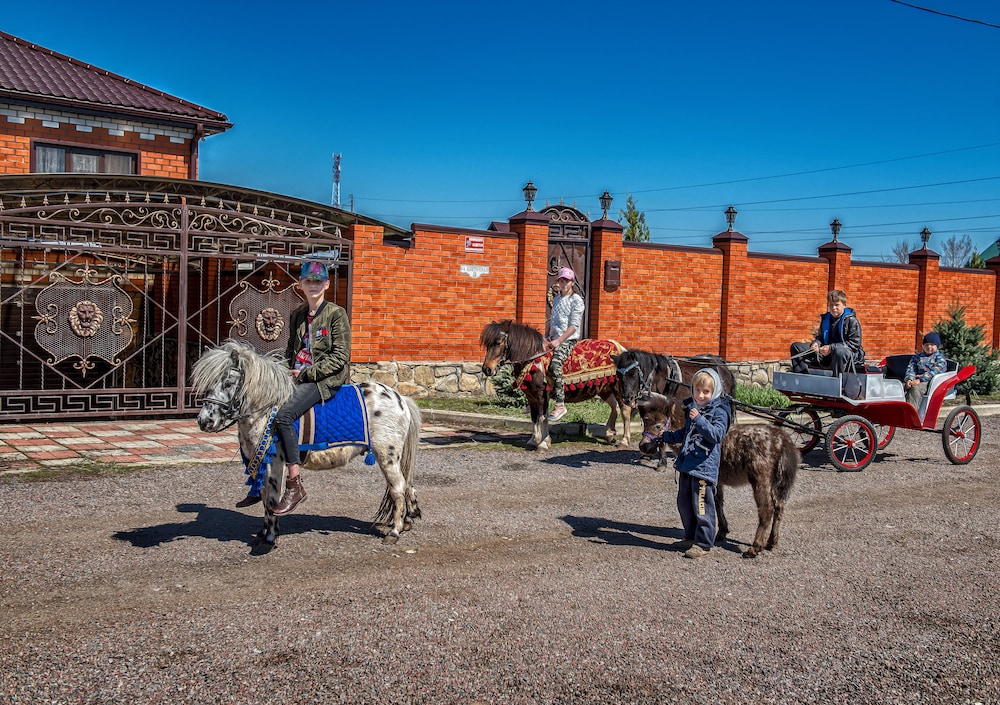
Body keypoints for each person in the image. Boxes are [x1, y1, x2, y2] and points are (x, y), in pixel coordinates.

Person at [237, 260, 351, 513]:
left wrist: (306, 373)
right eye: (308, 281)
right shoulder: (297, 314)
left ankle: (294, 483)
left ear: (327, 284)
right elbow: (291, 350)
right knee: (253, 412)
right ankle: (258, 481)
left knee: (284, 416)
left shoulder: (336, 314)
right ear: (301, 284)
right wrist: (282, 373)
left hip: (322, 380)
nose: (313, 285)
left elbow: (340, 357)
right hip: (296, 377)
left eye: (318, 281)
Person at [660, 368, 731, 559]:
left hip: (704, 468)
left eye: (706, 392)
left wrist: (699, 420)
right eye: (697, 390)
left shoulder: (720, 412)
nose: (700, 395)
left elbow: (716, 435)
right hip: (687, 464)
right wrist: (666, 436)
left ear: (714, 392)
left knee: (702, 506)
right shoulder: (694, 408)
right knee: (684, 504)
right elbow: (686, 433)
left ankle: (703, 543)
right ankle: (690, 537)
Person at [789, 289, 865, 378]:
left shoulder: (852, 321)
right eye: (831, 305)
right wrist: (816, 344)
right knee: (796, 347)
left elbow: (855, 344)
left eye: (837, 305)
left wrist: (831, 348)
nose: (833, 308)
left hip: (845, 356)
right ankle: (802, 377)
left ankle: (836, 380)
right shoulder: (826, 319)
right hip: (825, 354)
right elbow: (820, 337)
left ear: (844, 305)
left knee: (839, 352)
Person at [544, 267, 584, 422]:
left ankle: (560, 404)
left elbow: (574, 325)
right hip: (553, 338)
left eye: (567, 281)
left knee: (555, 364)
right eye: (561, 281)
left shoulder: (576, 300)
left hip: (568, 339)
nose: (564, 284)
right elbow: (553, 321)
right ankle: (541, 400)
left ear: (572, 282)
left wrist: (559, 340)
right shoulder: (556, 299)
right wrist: (547, 336)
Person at [904, 331, 948, 409]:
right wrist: (909, 379)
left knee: (916, 389)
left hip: (931, 382)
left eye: (932, 345)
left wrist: (920, 380)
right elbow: (911, 368)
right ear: (923, 346)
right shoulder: (917, 357)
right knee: (902, 387)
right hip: (916, 379)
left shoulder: (940, 358)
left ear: (937, 346)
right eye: (926, 345)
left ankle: (911, 413)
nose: (929, 347)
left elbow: (935, 372)